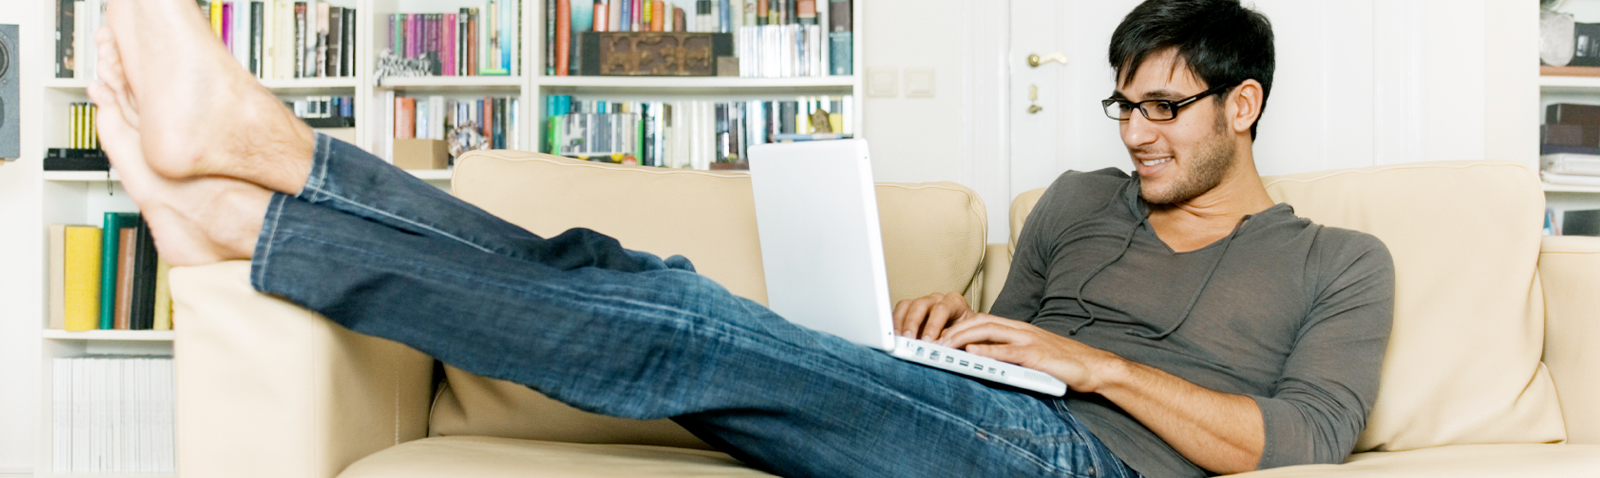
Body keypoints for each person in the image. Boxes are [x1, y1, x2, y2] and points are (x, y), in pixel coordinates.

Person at [90, 0, 1393, 476]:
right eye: (1123, 103)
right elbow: (1016, 335)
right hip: (968, 414)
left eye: (1165, 107)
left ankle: (276, 174)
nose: (1136, 132)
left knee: (671, 319)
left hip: (1081, 462)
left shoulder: (1340, 260)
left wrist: (1088, 364)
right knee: (650, 310)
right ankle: (252, 223)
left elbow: (1290, 441)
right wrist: (952, 323)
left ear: (1244, 104)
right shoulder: (1075, 199)